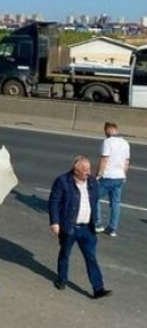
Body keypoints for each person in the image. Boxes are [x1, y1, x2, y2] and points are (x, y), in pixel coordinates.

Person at [48, 155, 111, 299]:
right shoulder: (63, 181)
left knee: (91, 257)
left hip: (87, 228)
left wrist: (95, 220)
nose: (88, 173)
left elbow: (94, 201)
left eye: (89, 169)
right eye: (84, 171)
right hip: (69, 226)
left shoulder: (92, 181)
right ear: (75, 171)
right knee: (65, 254)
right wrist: (55, 222)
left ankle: (98, 288)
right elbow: (54, 202)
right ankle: (62, 280)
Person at [95, 122, 130, 237]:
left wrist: (98, 175)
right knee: (116, 203)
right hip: (120, 176)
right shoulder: (125, 143)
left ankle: (97, 223)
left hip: (108, 176)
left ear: (108, 130)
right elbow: (126, 161)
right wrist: (124, 175)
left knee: (93, 197)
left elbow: (105, 159)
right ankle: (112, 228)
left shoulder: (107, 142)